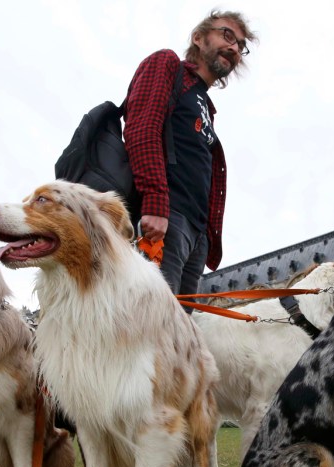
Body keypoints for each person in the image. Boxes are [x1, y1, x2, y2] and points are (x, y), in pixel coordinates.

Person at [123, 10, 257, 301]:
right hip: (166, 218)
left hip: (196, 236)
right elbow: (141, 128)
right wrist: (156, 205)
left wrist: (206, 240)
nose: (235, 48)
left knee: (176, 336)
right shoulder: (169, 65)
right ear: (198, 38)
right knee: (151, 327)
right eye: (227, 35)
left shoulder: (206, 106)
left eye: (241, 45)